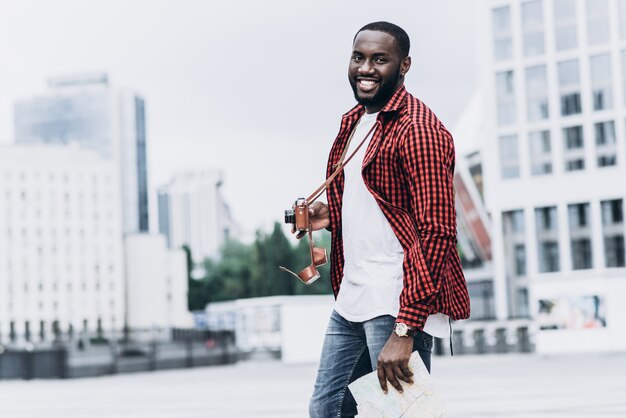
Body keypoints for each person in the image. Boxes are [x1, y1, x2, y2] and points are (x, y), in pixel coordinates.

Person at [304, 22, 471, 417]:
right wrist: (331, 214)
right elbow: (383, 204)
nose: (366, 68)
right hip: (352, 297)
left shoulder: (421, 131)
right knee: (326, 410)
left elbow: (437, 232)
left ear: (404, 65)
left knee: (398, 414)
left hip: (396, 301)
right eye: (359, 57)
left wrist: (405, 330)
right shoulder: (355, 122)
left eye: (380, 59)